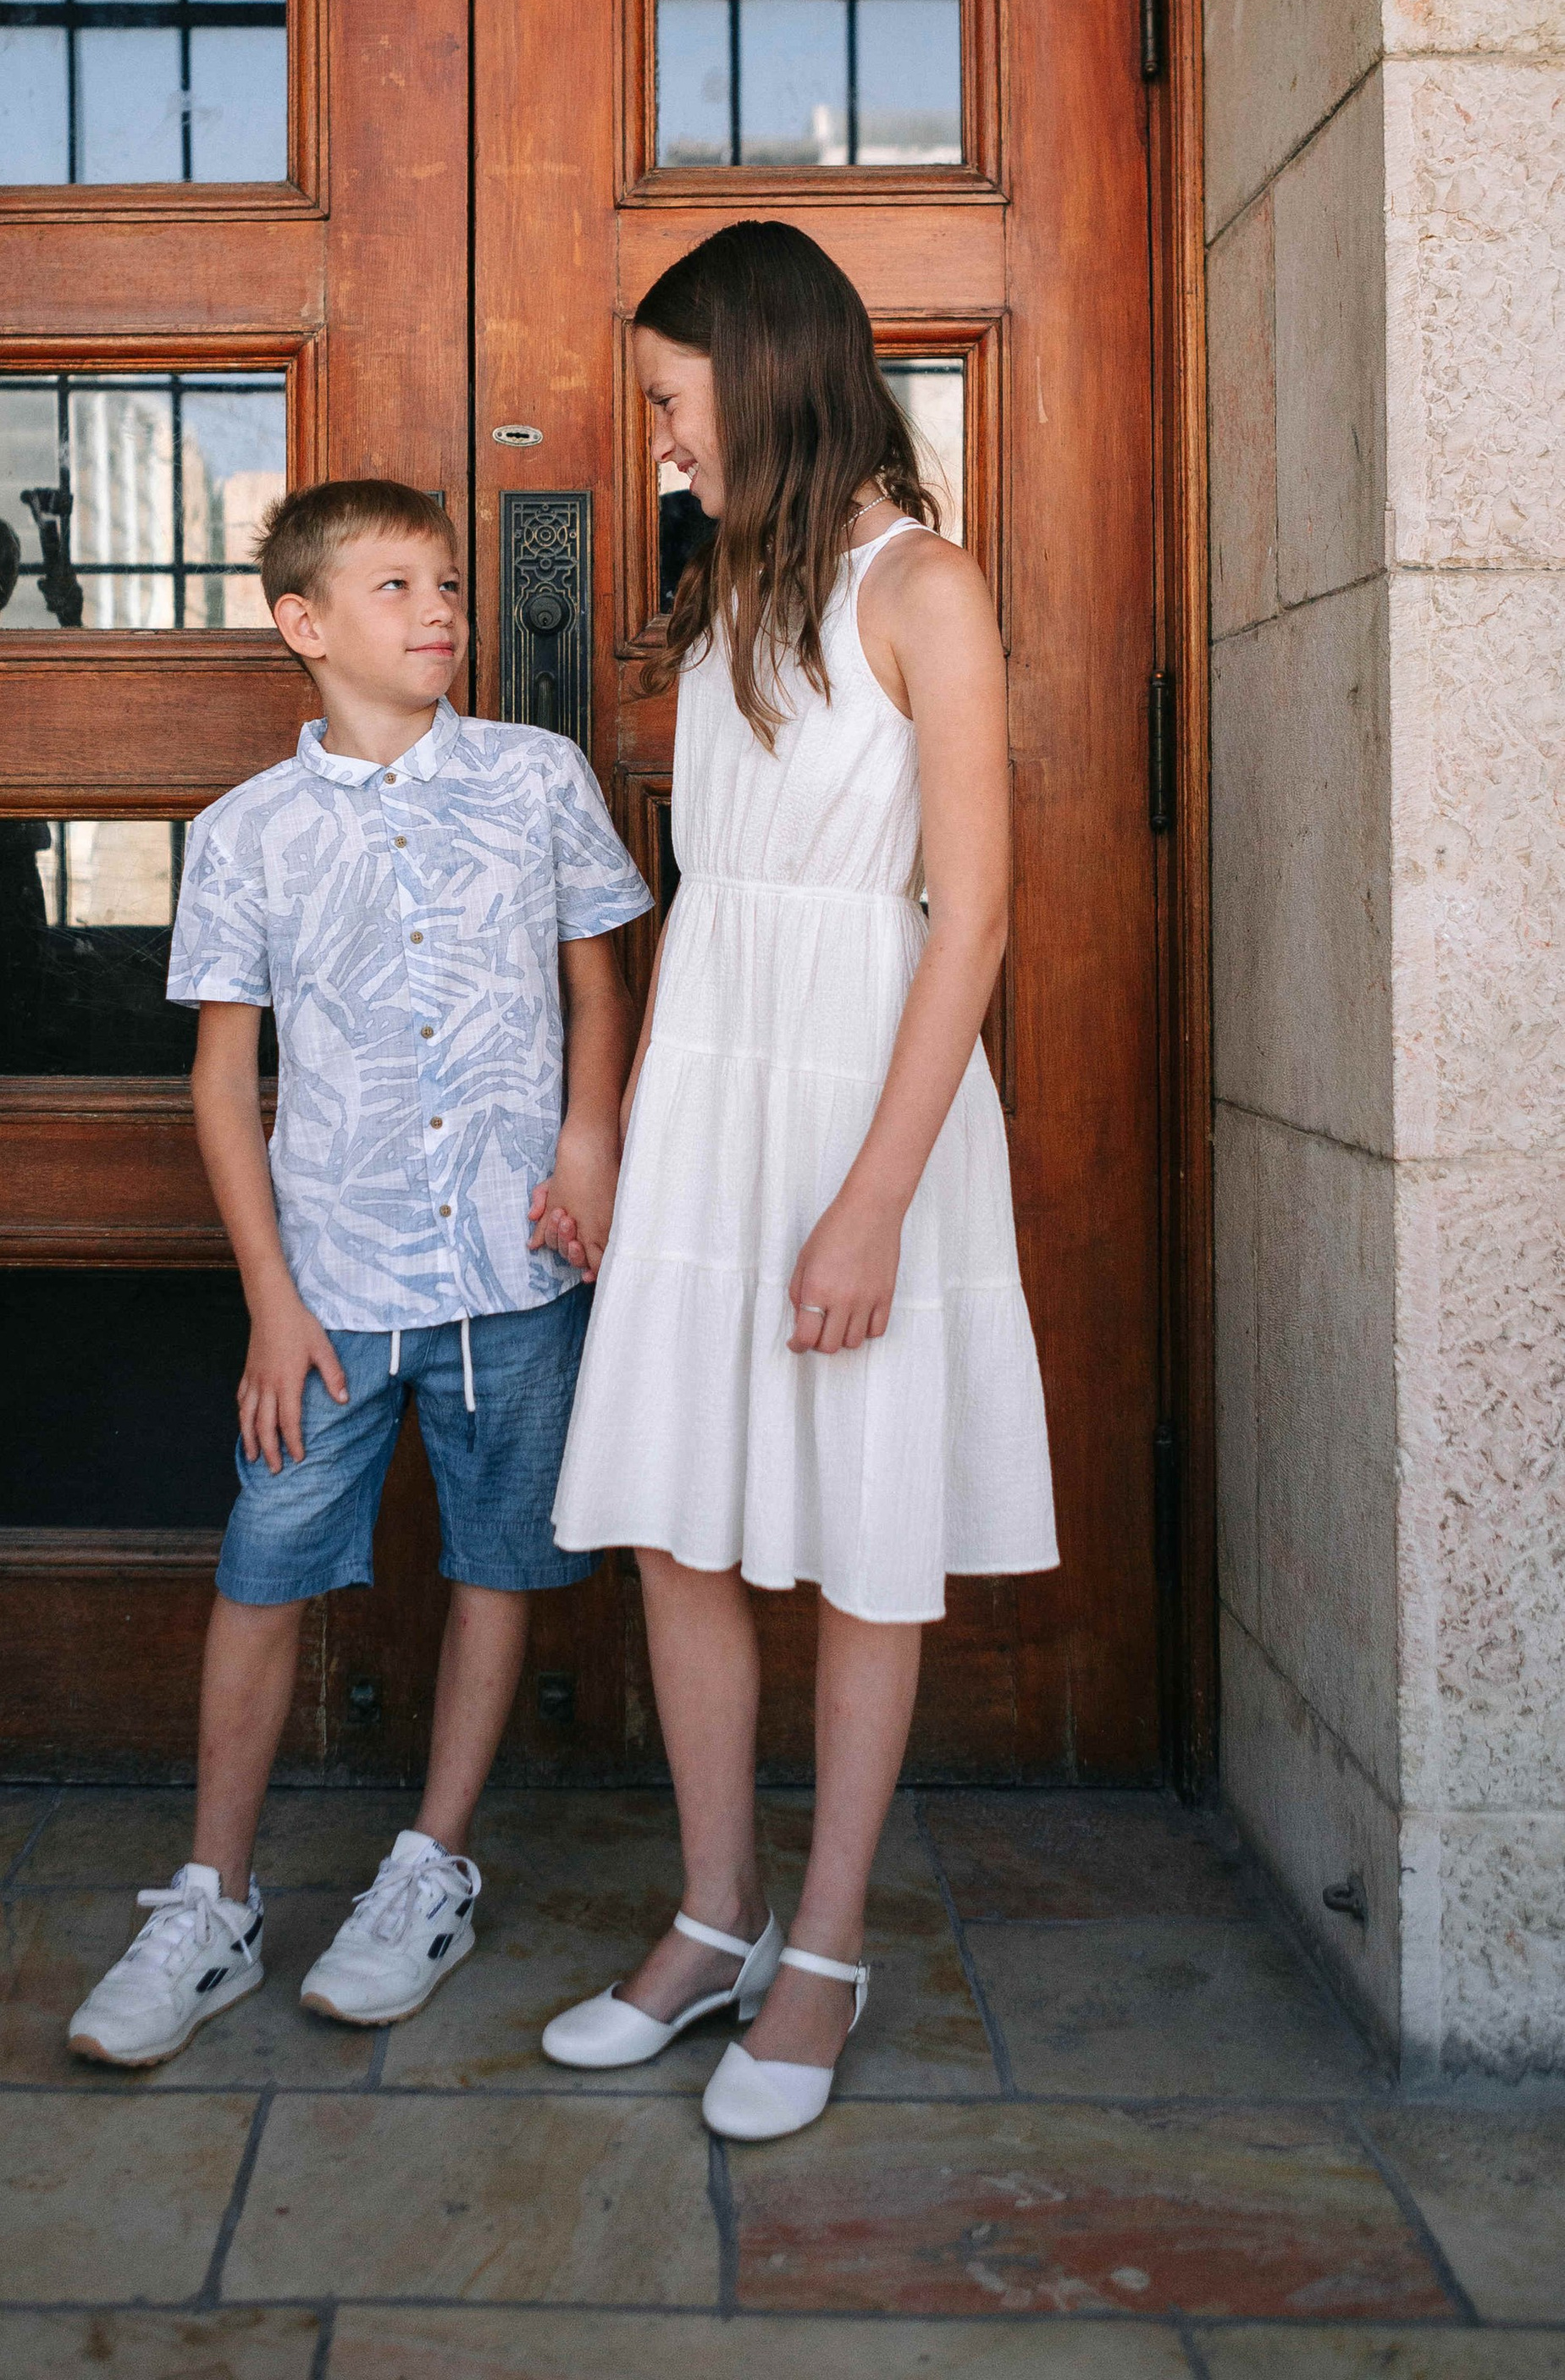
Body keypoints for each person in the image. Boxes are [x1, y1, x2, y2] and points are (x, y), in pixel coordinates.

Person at [545, 222, 1058, 2144]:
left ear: (759, 377)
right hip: (708, 1088)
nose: (660, 439)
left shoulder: (919, 583)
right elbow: (710, 889)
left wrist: (868, 1198)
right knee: (679, 1511)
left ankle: (824, 1948)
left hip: (866, 1094)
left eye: (673, 400)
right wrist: (617, 1126)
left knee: (852, 1525)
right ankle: (711, 1915)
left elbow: (975, 914)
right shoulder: (729, 594)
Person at [68, 478, 651, 2068]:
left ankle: (430, 1865)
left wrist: (589, 1144)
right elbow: (219, 1079)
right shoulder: (246, 833)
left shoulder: (536, 782)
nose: (442, 609)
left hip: (516, 1272)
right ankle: (212, 1900)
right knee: (267, 1560)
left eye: (449, 582)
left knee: (496, 1558)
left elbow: (599, 991)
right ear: (305, 625)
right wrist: (271, 1296)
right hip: (329, 1284)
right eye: (397, 587)